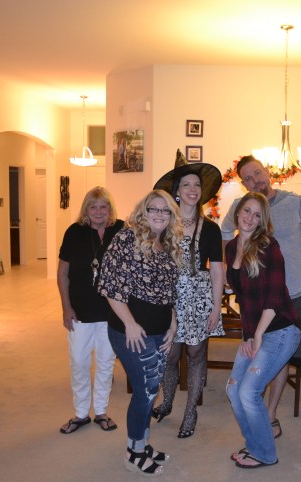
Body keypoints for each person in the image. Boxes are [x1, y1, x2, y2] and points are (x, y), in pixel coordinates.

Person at [221, 154, 301, 438]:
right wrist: (227, 266)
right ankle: (255, 408)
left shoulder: (294, 202)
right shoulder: (241, 207)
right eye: (247, 179)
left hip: (293, 294)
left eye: (257, 173)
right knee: (257, 354)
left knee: (282, 358)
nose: (254, 180)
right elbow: (225, 230)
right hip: (256, 298)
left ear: (267, 171)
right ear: (243, 184)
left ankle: (270, 414)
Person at [97, 189, 182, 477]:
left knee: (150, 390)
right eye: (153, 209)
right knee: (145, 392)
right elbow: (109, 285)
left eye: (165, 210)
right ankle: (133, 453)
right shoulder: (126, 238)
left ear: (171, 216)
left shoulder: (167, 243)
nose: (159, 214)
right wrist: (131, 324)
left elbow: (169, 292)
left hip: (160, 332)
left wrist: (173, 323)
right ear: (143, 211)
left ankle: (142, 444)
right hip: (130, 331)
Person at [225, 192, 301, 469]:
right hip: (254, 330)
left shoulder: (269, 246)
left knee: (249, 392)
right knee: (233, 390)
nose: (250, 218)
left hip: (280, 330)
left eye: (257, 215)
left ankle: (266, 453)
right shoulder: (231, 248)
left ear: (262, 221)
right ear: (238, 212)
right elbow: (244, 300)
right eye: (247, 211)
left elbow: (274, 295)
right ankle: (255, 445)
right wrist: (248, 335)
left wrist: (257, 335)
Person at [151, 150, 225, 438]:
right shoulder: (164, 224)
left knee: (196, 353)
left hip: (199, 297)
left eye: (197, 184)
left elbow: (217, 270)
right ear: (177, 191)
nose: (193, 189)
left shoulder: (212, 229)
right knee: (169, 354)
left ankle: (191, 410)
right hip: (168, 298)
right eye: (186, 185)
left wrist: (216, 307)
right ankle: (168, 400)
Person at [57, 186, 124, 434]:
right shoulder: (74, 232)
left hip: (111, 312)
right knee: (79, 362)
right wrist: (66, 307)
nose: (98, 211)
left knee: (106, 362)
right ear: (85, 209)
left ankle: (102, 412)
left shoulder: (121, 230)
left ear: (110, 209)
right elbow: (62, 273)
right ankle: (81, 413)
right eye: (93, 206)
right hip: (80, 311)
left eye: (103, 206)